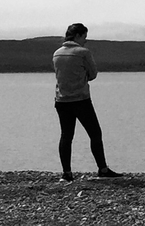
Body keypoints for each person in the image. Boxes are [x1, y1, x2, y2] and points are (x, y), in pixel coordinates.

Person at [53, 23, 122, 181]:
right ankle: (102, 169)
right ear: (77, 36)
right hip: (80, 99)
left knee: (66, 136)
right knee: (95, 133)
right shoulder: (82, 52)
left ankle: (67, 173)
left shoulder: (57, 53)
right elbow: (93, 74)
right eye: (84, 36)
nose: (86, 40)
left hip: (61, 100)